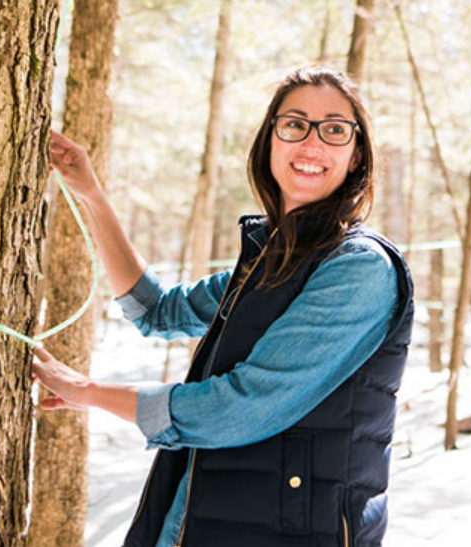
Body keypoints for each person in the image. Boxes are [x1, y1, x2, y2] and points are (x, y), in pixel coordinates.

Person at [34, 66, 414, 547]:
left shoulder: (360, 270)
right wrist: (91, 195)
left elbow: (237, 409)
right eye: (294, 124)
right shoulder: (270, 260)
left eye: (335, 130)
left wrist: (87, 390)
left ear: (356, 153)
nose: (312, 144)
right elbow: (158, 312)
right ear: (269, 140)